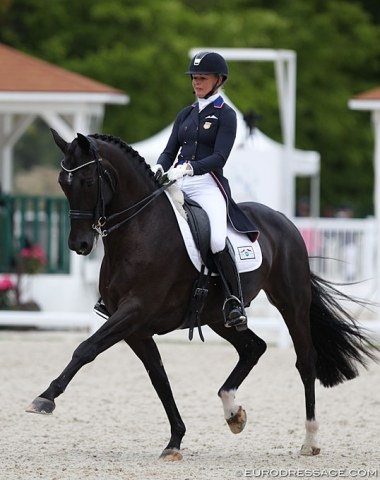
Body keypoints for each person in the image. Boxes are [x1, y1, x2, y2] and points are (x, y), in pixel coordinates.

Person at [151, 51, 259, 329]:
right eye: (194, 78)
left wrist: (189, 168)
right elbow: (169, 150)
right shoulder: (185, 114)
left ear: (218, 80)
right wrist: (160, 168)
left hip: (207, 183)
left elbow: (220, 157)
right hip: (177, 181)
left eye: (202, 78)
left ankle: (233, 300)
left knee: (217, 241)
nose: (196, 83)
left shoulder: (226, 115)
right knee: (148, 222)